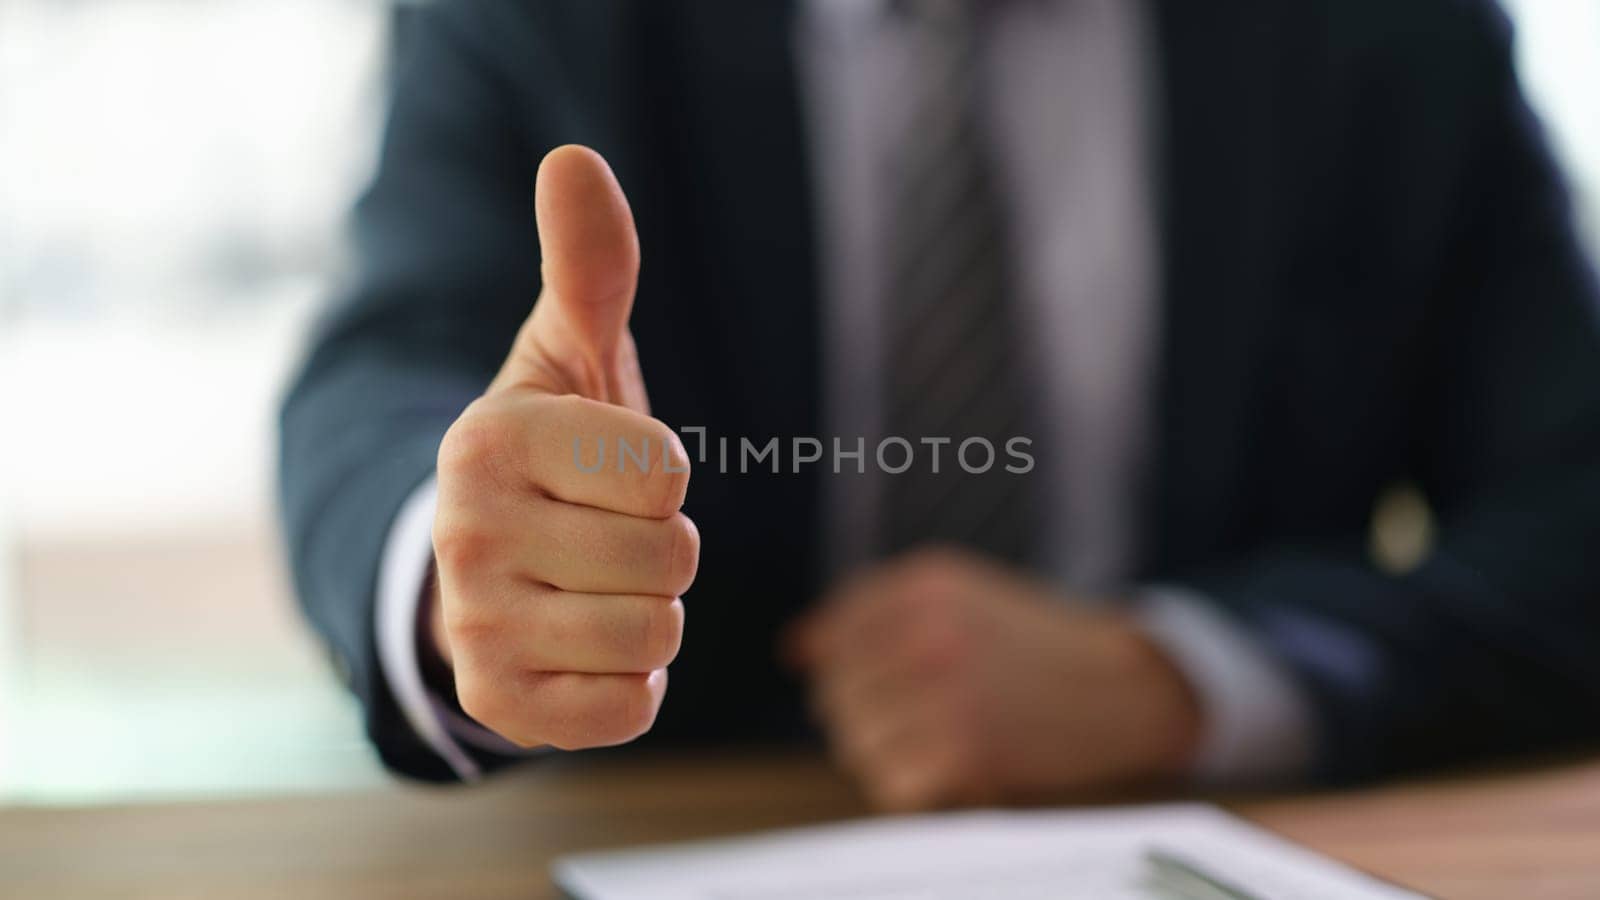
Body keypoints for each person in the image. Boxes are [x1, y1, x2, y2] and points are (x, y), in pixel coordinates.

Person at [279, 0, 1600, 810]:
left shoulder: (1398, 30)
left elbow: (1576, 518)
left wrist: (1186, 682)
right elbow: (378, 377)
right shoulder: (541, 15)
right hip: (671, 828)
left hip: (1222, 831)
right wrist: (471, 574)